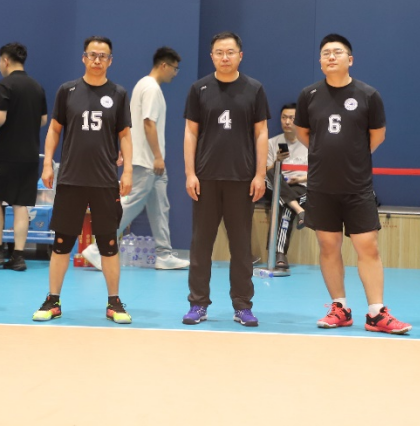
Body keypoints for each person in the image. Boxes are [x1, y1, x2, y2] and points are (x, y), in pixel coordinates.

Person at [295, 34, 411, 335]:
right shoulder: (309, 95)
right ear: (320, 61)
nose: (331, 57)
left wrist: (353, 157)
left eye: (337, 52)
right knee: (328, 246)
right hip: (321, 185)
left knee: (367, 246)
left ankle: (376, 313)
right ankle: (340, 308)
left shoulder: (368, 94)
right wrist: (324, 155)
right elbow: (303, 133)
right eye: (325, 53)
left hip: (357, 185)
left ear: (350, 59)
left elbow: (378, 135)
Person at [33, 36, 133, 324]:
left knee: (108, 243)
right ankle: (53, 300)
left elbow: (125, 135)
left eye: (103, 56)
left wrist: (127, 171)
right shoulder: (68, 91)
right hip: (71, 179)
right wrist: (48, 165)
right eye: (92, 55)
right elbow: (54, 129)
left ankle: (114, 303)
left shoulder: (118, 93)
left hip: (104, 180)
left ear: (110, 61)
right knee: (62, 242)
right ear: (84, 58)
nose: (97, 60)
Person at [182, 32, 268, 328]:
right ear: (212, 56)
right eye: (219, 52)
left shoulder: (254, 89)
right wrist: (190, 173)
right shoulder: (199, 89)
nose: (225, 57)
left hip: (242, 179)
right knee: (201, 245)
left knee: (241, 247)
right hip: (205, 178)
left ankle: (242, 306)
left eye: (230, 52)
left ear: (240, 55)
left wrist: (260, 174)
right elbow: (191, 132)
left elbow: (261, 133)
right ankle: (198, 303)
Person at [80, 46, 190, 271]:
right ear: (164, 65)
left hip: (149, 161)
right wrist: (157, 156)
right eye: (174, 68)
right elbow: (148, 123)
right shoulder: (151, 88)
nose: (175, 73)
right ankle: (98, 248)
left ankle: (164, 254)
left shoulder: (143, 85)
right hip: (147, 161)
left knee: (160, 207)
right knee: (129, 205)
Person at [0, 42, 47, 272]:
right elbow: (43, 120)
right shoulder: (37, 87)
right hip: (30, 155)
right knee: (21, 205)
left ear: (5, 60)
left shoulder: (4, 84)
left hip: (7, 154)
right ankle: (18, 256)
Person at [264, 102, 308, 271]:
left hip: (300, 186)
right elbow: (266, 172)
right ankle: (300, 211)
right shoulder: (272, 142)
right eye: (284, 118)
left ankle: (279, 253)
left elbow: (319, 172)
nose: (287, 122)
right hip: (277, 184)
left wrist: (298, 179)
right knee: (272, 172)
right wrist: (278, 161)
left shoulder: (309, 143)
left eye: (291, 118)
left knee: (285, 207)